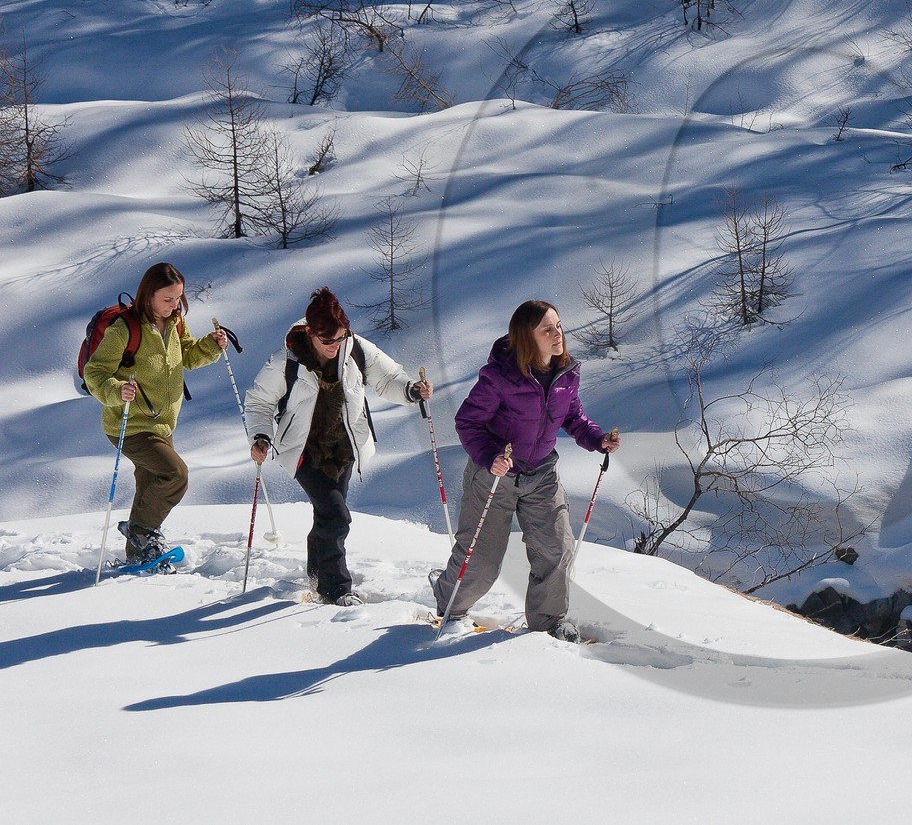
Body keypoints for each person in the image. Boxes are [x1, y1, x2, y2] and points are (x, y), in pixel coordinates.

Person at [432, 300, 619, 640]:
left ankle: (548, 623)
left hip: (542, 474)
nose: (557, 333)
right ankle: (450, 605)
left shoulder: (566, 374)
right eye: (547, 329)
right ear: (526, 337)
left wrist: (597, 439)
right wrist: (490, 457)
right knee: (483, 561)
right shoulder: (499, 377)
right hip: (495, 475)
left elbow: (573, 416)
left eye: (558, 326)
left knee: (557, 549)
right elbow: (468, 422)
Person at [243, 288, 430, 606]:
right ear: (312, 334)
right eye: (327, 341)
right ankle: (336, 589)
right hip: (303, 450)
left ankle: (317, 573)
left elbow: (388, 378)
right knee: (336, 515)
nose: (335, 346)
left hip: (344, 448)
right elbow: (259, 401)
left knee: (327, 514)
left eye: (340, 338)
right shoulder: (286, 360)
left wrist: (411, 390)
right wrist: (261, 436)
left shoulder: (356, 348)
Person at [83, 262, 227, 563]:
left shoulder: (175, 322)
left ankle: (140, 555)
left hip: (162, 424)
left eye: (178, 298)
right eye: (167, 299)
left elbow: (186, 355)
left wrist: (211, 346)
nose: (175, 306)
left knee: (150, 486)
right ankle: (142, 532)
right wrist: (116, 390)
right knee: (175, 474)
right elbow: (94, 372)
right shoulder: (125, 329)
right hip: (130, 424)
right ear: (148, 295)